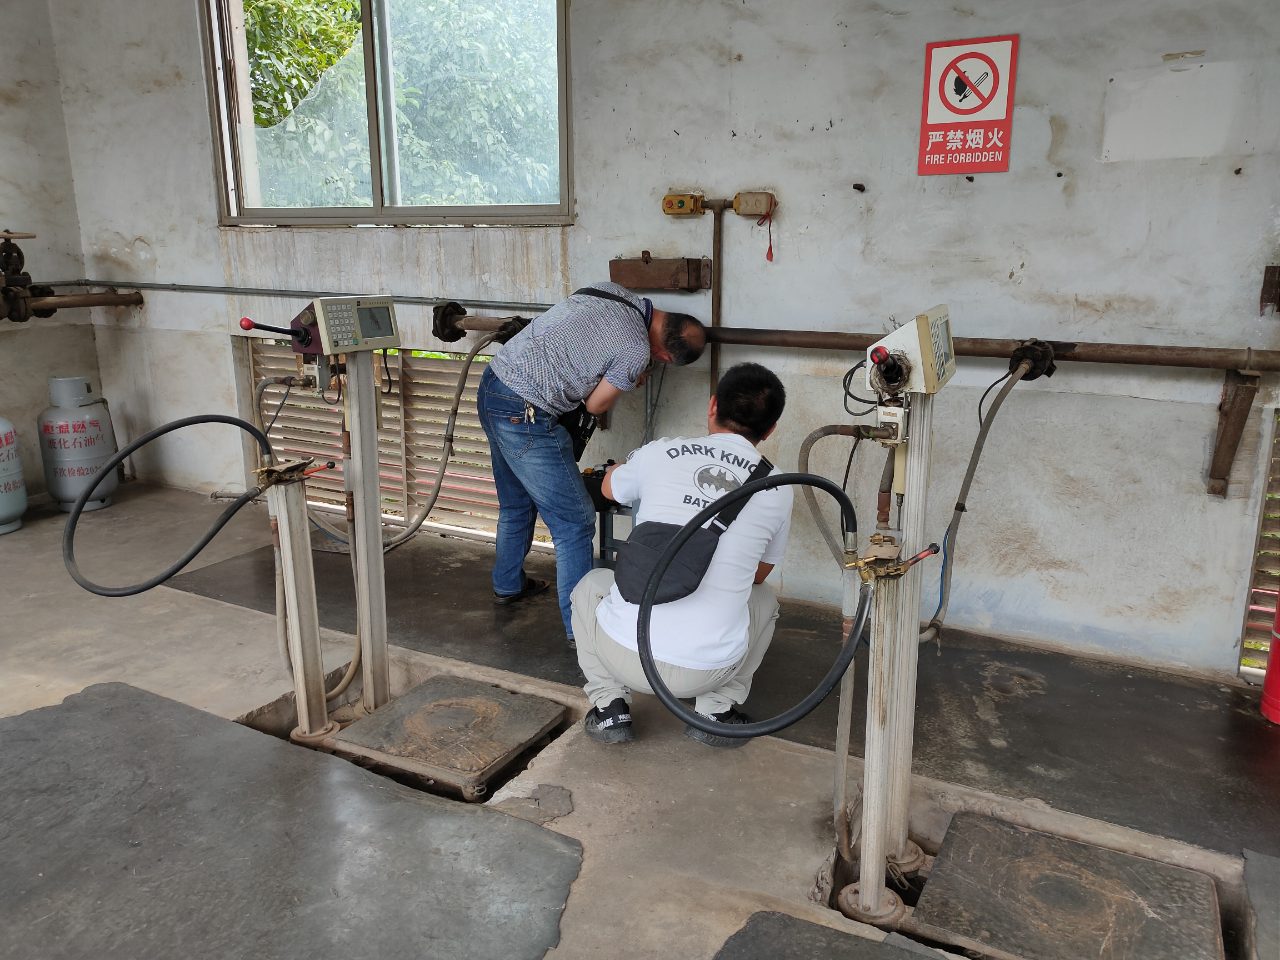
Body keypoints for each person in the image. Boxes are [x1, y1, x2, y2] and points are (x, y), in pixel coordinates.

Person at [570, 362, 792, 747]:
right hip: (706, 672)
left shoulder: (661, 452)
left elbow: (607, 489)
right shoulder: (778, 488)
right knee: (763, 600)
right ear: (771, 429)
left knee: (591, 585)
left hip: (622, 653)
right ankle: (714, 714)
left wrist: (627, 469)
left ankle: (609, 709)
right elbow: (759, 575)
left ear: (712, 406)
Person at [477, 282, 707, 648]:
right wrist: (627, 377)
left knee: (516, 504)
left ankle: (508, 585)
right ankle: (580, 629)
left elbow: (581, 344)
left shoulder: (611, 291)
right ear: (663, 356)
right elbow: (596, 405)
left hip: (494, 384)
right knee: (575, 523)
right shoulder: (635, 351)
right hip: (526, 412)